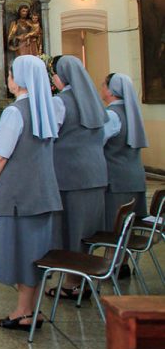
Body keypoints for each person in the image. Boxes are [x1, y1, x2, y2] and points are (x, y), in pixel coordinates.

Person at [0, 55, 62, 331]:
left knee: (18, 250)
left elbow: (1, 156)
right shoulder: (48, 107)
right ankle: (31, 307)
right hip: (42, 191)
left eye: (9, 74)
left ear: (18, 80)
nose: (8, 79)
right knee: (35, 250)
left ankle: (22, 311)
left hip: (19, 192)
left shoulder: (15, 112)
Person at [41, 55, 108, 298]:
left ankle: (72, 283)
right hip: (96, 174)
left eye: (54, 75)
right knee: (86, 230)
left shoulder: (61, 102)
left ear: (62, 77)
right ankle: (85, 277)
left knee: (71, 231)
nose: (54, 79)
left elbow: (48, 135)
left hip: (70, 175)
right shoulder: (94, 102)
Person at [101, 73, 149, 227]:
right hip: (135, 176)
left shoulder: (112, 115)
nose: (101, 87)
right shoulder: (131, 112)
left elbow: (97, 143)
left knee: (116, 228)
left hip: (117, 180)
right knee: (129, 229)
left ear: (111, 91)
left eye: (103, 84)